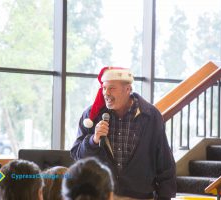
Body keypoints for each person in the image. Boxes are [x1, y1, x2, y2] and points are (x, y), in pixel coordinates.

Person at [70, 67, 176, 199]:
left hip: (140, 196)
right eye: (104, 88)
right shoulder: (91, 116)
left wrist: (165, 197)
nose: (106, 93)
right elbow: (76, 155)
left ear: (128, 89)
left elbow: (164, 160)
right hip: (100, 195)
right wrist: (93, 140)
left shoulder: (151, 116)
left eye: (112, 88)